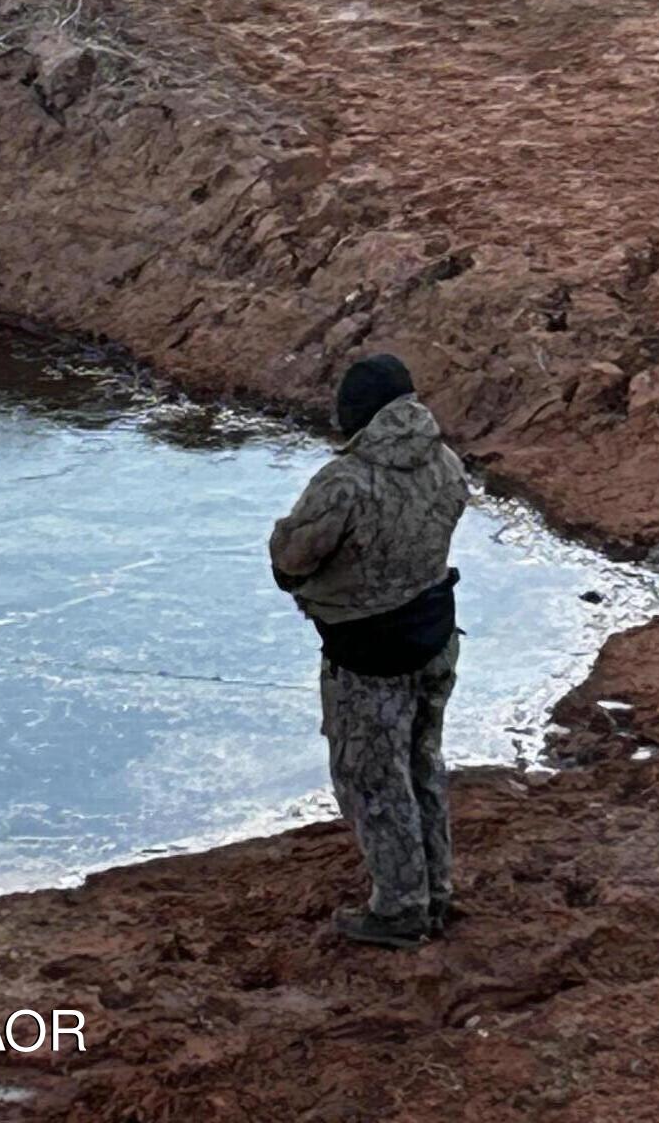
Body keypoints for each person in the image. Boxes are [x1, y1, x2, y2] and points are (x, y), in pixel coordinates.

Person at [268, 354, 470, 950]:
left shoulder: (346, 481)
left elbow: (291, 558)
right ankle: (434, 891)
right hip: (435, 637)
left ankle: (401, 909)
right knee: (422, 763)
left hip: (369, 655)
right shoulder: (446, 462)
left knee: (373, 781)